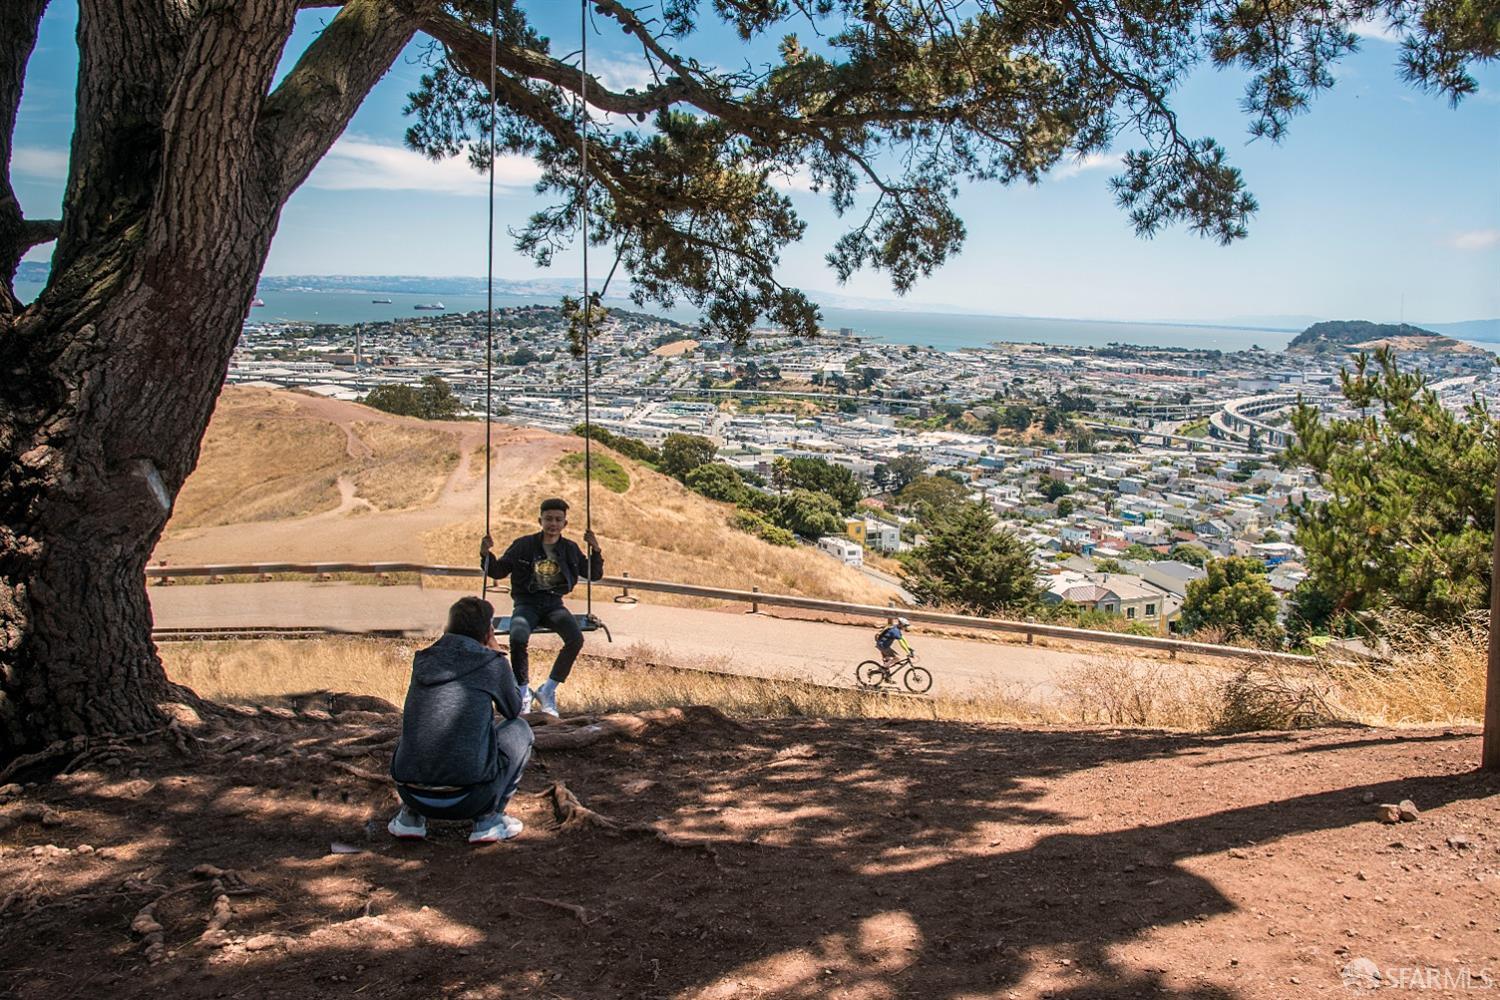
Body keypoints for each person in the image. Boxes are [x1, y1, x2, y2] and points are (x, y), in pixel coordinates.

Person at [388, 596, 533, 844]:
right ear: (487, 631)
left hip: (410, 792)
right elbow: (513, 710)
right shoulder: (492, 663)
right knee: (520, 730)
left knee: (426, 723)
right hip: (469, 799)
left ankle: (410, 818)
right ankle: (489, 819)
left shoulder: (422, 660)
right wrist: (498, 653)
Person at [480, 497, 604, 717]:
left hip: (554, 604)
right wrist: (485, 554)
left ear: (565, 524)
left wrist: (595, 549)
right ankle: (523, 692)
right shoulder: (523, 545)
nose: (553, 524)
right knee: (517, 638)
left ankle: (548, 690)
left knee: (575, 639)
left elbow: (593, 574)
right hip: (526, 603)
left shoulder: (570, 549)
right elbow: (498, 571)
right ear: (540, 520)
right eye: (548, 519)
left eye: (558, 519)